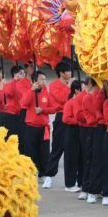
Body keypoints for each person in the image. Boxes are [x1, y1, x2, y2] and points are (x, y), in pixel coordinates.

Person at [42, 61, 72, 189]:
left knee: (72, 150)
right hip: (61, 117)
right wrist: (69, 87)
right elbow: (62, 99)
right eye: (68, 71)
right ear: (62, 73)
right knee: (57, 148)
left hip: (73, 117)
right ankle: (49, 176)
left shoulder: (72, 84)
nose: (70, 73)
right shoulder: (54, 85)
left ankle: (71, 181)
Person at [20, 70, 53, 180]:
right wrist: (31, 90)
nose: (44, 81)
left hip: (43, 128)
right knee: (31, 152)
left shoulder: (46, 91)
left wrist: (43, 110)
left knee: (44, 152)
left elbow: (52, 108)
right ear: (35, 81)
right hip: (30, 127)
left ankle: (43, 173)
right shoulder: (29, 91)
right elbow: (24, 104)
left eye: (44, 79)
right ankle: (31, 172)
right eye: (41, 79)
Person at [85, 80, 106, 204]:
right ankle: (92, 190)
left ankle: (106, 189)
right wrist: (99, 119)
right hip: (97, 128)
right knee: (96, 160)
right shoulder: (94, 95)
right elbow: (92, 112)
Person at [63, 79, 84, 192]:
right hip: (72, 131)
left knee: (80, 157)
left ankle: (80, 181)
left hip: (80, 131)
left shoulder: (82, 101)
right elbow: (65, 118)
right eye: (82, 88)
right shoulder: (70, 102)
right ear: (76, 90)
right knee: (71, 158)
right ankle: (69, 184)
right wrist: (79, 121)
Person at [2, 65, 24, 139]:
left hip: (22, 114)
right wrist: (15, 80)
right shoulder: (8, 85)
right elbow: (9, 93)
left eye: (23, 73)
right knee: (12, 138)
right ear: (15, 74)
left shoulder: (25, 85)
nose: (23, 75)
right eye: (21, 73)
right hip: (12, 115)